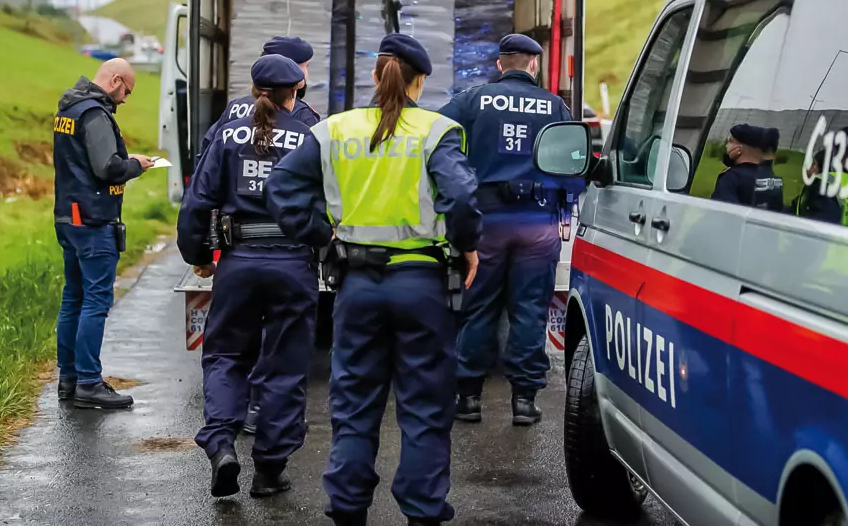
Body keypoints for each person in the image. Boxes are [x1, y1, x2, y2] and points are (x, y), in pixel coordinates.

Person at [265, 33, 482, 526]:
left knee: (354, 404)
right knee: (425, 406)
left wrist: (321, 234)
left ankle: (348, 507)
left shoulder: (333, 130)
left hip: (357, 285)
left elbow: (281, 187)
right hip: (423, 285)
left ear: (374, 75)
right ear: (420, 80)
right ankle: (423, 510)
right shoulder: (437, 131)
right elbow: (462, 198)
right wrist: (467, 244)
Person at [176, 54, 319, 499]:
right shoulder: (310, 137)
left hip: (238, 262)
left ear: (255, 90)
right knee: (284, 365)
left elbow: (198, 200)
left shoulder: (227, 135)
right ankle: (269, 470)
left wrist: (200, 254)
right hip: (292, 264)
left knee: (225, 355)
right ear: (295, 92)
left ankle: (222, 445)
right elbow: (326, 204)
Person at [439, 33, 582, 426]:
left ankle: (468, 398)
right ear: (534, 64)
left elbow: (435, 140)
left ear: (500, 64)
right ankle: (524, 400)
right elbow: (574, 163)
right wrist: (566, 200)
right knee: (529, 311)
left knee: (478, 309)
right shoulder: (555, 106)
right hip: (537, 223)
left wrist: (456, 191)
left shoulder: (471, 101)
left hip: (485, 223)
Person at [53, 58, 154, 409]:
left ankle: (68, 379)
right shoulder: (95, 113)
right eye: (127, 91)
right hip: (93, 221)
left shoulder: (69, 108)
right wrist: (135, 166)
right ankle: (89, 383)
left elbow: (85, 160)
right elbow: (107, 168)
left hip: (69, 217)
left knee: (73, 298)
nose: (125, 99)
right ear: (115, 81)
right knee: (95, 301)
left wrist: (125, 158)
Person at [198, 35, 320, 161]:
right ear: (291, 69)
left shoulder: (235, 107)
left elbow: (206, 156)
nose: (307, 73)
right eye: (306, 66)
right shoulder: (302, 114)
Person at [712, 123, 784, 211]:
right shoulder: (773, 179)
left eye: (730, 141)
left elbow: (724, 213)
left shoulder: (731, 178)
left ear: (739, 149)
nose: (727, 146)